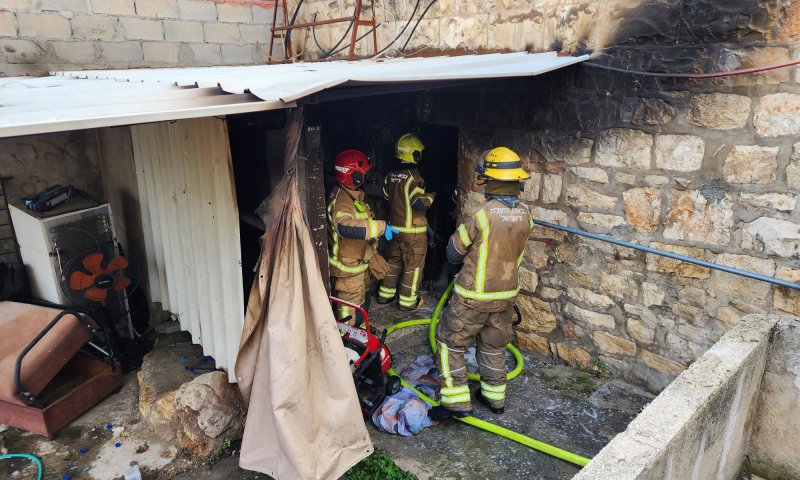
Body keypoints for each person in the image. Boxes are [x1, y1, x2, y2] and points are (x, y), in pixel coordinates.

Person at [429, 146, 534, 420]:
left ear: (490, 179)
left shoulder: (481, 214)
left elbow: (453, 253)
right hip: (506, 297)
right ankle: (494, 398)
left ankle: (455, 402)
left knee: (450, 343)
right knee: (494, 346)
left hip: (471, 298)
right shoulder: (526, 216)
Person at [327, 149, 399, 325]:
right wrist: (380, 226)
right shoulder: (342, 200)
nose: (366, 177)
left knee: (363, 304)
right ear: (354, 177)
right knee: (350, 314)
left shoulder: (352, 195)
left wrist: (372, 254)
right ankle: (348, 343)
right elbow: (344, 226)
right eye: (363, 173)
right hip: (348, 269)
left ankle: (359, 335)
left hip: (359, 264)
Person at [378, 133, 436, 311]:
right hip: (413, 232)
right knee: (413, 267)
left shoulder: (390, 176)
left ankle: (384, 296)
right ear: (415, 155)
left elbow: (386, 197)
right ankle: (407, 302)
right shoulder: (414, 177)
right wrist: (431, 195)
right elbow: (420, 203)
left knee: (393, 261)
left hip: (394, 229)